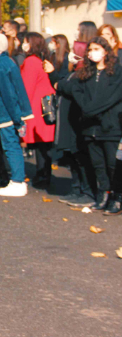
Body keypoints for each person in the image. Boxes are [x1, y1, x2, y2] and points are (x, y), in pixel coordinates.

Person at [55, 37, 122, 214]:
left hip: (110, 126)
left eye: (97, 49)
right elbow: (69, 87)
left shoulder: (117, 72)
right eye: (90, 50)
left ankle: (117, 197)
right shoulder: (85, 74)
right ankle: (103, 194)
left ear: (106, 51)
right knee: (98, 165)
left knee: (112, 164)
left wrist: (90, 109)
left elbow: (111, 98)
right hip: (89, 127)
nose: (93, 53)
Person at [43, 35, 95, 207]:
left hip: (79, 122)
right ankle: (76, 189)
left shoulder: (86, 74)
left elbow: (65, 87)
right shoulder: (75, 73)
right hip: (68, 120)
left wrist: (54, 76)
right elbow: (61, 85)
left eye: (76, 51)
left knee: (81, 158)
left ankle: (87, 192)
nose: (72, 54)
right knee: (73, 156)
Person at [0, 34, 33, 197]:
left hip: (5, 113)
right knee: (12, 146)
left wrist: (16, 118)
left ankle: (17, 181)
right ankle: (17, 180)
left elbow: (8, 94)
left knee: (11, 146)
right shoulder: (7, 62)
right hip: (9, 113)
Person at [20, 32, 57, 190]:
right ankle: (44, 175)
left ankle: (42, 176)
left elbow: (27, 88)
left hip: (37, 107)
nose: (24, 44)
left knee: (41, 144)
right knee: (44, 145)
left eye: (26, 42)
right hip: (44, 105)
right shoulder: (39, 60)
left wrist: (22, 110)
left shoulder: (30, 61)